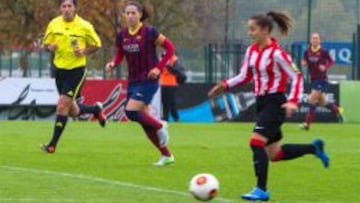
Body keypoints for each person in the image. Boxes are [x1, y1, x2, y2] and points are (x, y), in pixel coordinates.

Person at [208, 11, 330, 201]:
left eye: (253, 29)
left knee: (256, 142)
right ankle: (314, 149)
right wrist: (225, 85)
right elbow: (244, 76)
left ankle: (261, 190)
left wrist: (293, 100)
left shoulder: (278, 54)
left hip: (275, 102)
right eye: (249, 29)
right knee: (275, 154)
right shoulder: (251, 51)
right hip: (262, 103)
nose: (250, 33)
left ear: (265, 30)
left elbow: (296, 76)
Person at [105, 1, 175, 166]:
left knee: (130, 111)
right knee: (144, 123)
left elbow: (170, 49)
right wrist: (113, 63)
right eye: (127, 13)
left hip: (148, 80)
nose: (130, 16)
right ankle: (167, 155)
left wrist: (158, 68)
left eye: (133, 13)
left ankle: (160, 125)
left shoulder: (150, 32)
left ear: (140, 15)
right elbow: (120, 54)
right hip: (133, 80)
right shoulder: (122, 35)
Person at [41, 0, 106, 153]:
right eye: (64, 6)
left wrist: (83, 51)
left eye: (69, 6)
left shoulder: (84, 25)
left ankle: (52, 145)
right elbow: (45, 45)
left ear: (75, 8)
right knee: (72, 110)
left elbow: (97, 44)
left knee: (62, 105)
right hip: (59, 71)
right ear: (60, 8)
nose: (67, 9)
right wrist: (49, 48)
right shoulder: (54, 24)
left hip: (76, 71)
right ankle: (95, 109)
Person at [299, 32, 343, 130]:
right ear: (311, 40)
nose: (315, 40)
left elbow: (331, 61)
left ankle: (307, 124)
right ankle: (338, 111)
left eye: (317, 38)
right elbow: (304, 60)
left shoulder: (324, 51)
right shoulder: (307, 51)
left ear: (319, 40)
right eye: (313, 38)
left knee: (311, 100)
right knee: (323, 102)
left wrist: (325, 67)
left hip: (322, 79)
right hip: (313, 79)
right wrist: (304, 63)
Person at [160, 54, 180, 122]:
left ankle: (175, 117)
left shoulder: (174, 59)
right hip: (163, 83)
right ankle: (166, 118)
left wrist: (168, 65)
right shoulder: (162, 59)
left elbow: (177, 71)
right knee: (164, 102)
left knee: (171, 102)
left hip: (171, 83)